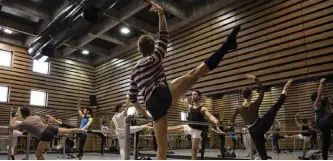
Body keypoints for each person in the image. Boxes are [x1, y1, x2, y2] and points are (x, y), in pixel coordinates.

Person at [127, 1, 241, 159]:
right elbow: (164, 35)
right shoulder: (155, 58)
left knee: (161, 149)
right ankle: (226, 47)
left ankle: (227, 46)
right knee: (196, 74)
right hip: (161, 94)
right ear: (152, 47)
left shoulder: (133, 72)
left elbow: (132, 98)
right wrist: (161, 13)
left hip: (152, 106)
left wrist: (145, 114)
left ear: (139, 51)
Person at [230, 75, 293, 160]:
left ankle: (264, 157)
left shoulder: (239, 108)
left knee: (261, 153)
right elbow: (262, 89)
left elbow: (231, 121)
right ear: (251, 95)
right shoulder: (255, 104)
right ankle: (285, 89)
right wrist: (255, 78)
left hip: (252, 131)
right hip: (261, 125)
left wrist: (233, 123)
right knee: (274, 107)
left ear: (243, 96)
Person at [9, 107, 86, 160]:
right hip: (50, 128)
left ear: (22, 115)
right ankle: (84, 130)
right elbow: (45, 123)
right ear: (30, 112)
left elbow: (11, 127)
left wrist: (13, 118)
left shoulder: (23, 123)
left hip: (45, 134)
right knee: (69, 130)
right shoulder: (36, 116)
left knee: (38, 154)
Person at [169, 90, 219, 160]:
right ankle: (151, 128)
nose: (192, 96)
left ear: (199, 96)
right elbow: (184, 101)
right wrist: (181, 94)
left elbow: (210, 116)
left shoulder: (202, 108)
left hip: (196, 131)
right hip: (189, 127)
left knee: (194, 150)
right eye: (192, 94)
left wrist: (215, 120)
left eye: (195, 94)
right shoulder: (190, 107)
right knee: (170, 129)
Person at [312, 78, 333, 160]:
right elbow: (319, 94)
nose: (323, 96)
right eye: (321, 96)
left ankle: (325, 158)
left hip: (325, 125)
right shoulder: (316, 104)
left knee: (326, 143)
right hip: (321, 122)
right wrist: (321, 83)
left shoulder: (325, 106)